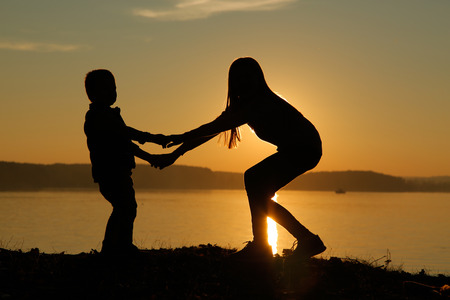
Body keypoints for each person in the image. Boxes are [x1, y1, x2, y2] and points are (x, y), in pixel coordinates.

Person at [152, 57, 326, 260]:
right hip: (297, 148)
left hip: (305, 147)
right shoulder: (242, 106)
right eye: (239, 79)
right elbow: (211, 131)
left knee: (254, 180)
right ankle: (291, 242)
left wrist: (177, 138)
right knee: (257, 188)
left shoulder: (259, 103)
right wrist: (175, 154)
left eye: (248, 77)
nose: (244, 82)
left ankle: (273, 244)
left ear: (258, 79)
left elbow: (213, 128)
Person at [84, 69, 165, 256]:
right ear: (94, 94)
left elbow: (128, 133)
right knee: (125, 207)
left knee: (126, 207)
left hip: (118, 172)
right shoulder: (98, 118)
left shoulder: (108, 116)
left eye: (114, 88)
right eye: (108, 89)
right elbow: (126, 143)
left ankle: (120, 246)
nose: (113, 93)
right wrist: (151, 156)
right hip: (110, 173)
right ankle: (114, 247)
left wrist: (154, 139)